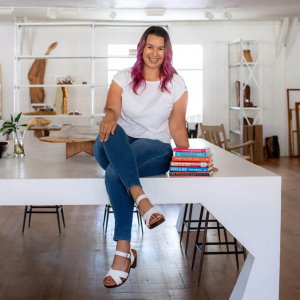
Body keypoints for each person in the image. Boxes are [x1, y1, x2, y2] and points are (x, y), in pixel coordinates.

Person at [93, 26, 189, 288]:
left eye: (160, 48)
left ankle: (123, 253)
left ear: (166, 52)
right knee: (111, 127)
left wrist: (189, 160)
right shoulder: (123, 77)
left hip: (155, 147)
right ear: (141, 48)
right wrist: (111, 115)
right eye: (150, 46)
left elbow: (178, 127)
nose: (154, 53)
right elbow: (111, 107)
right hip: (117, 143)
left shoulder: (176, 84)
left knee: (116, 172)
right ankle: (141, 200)